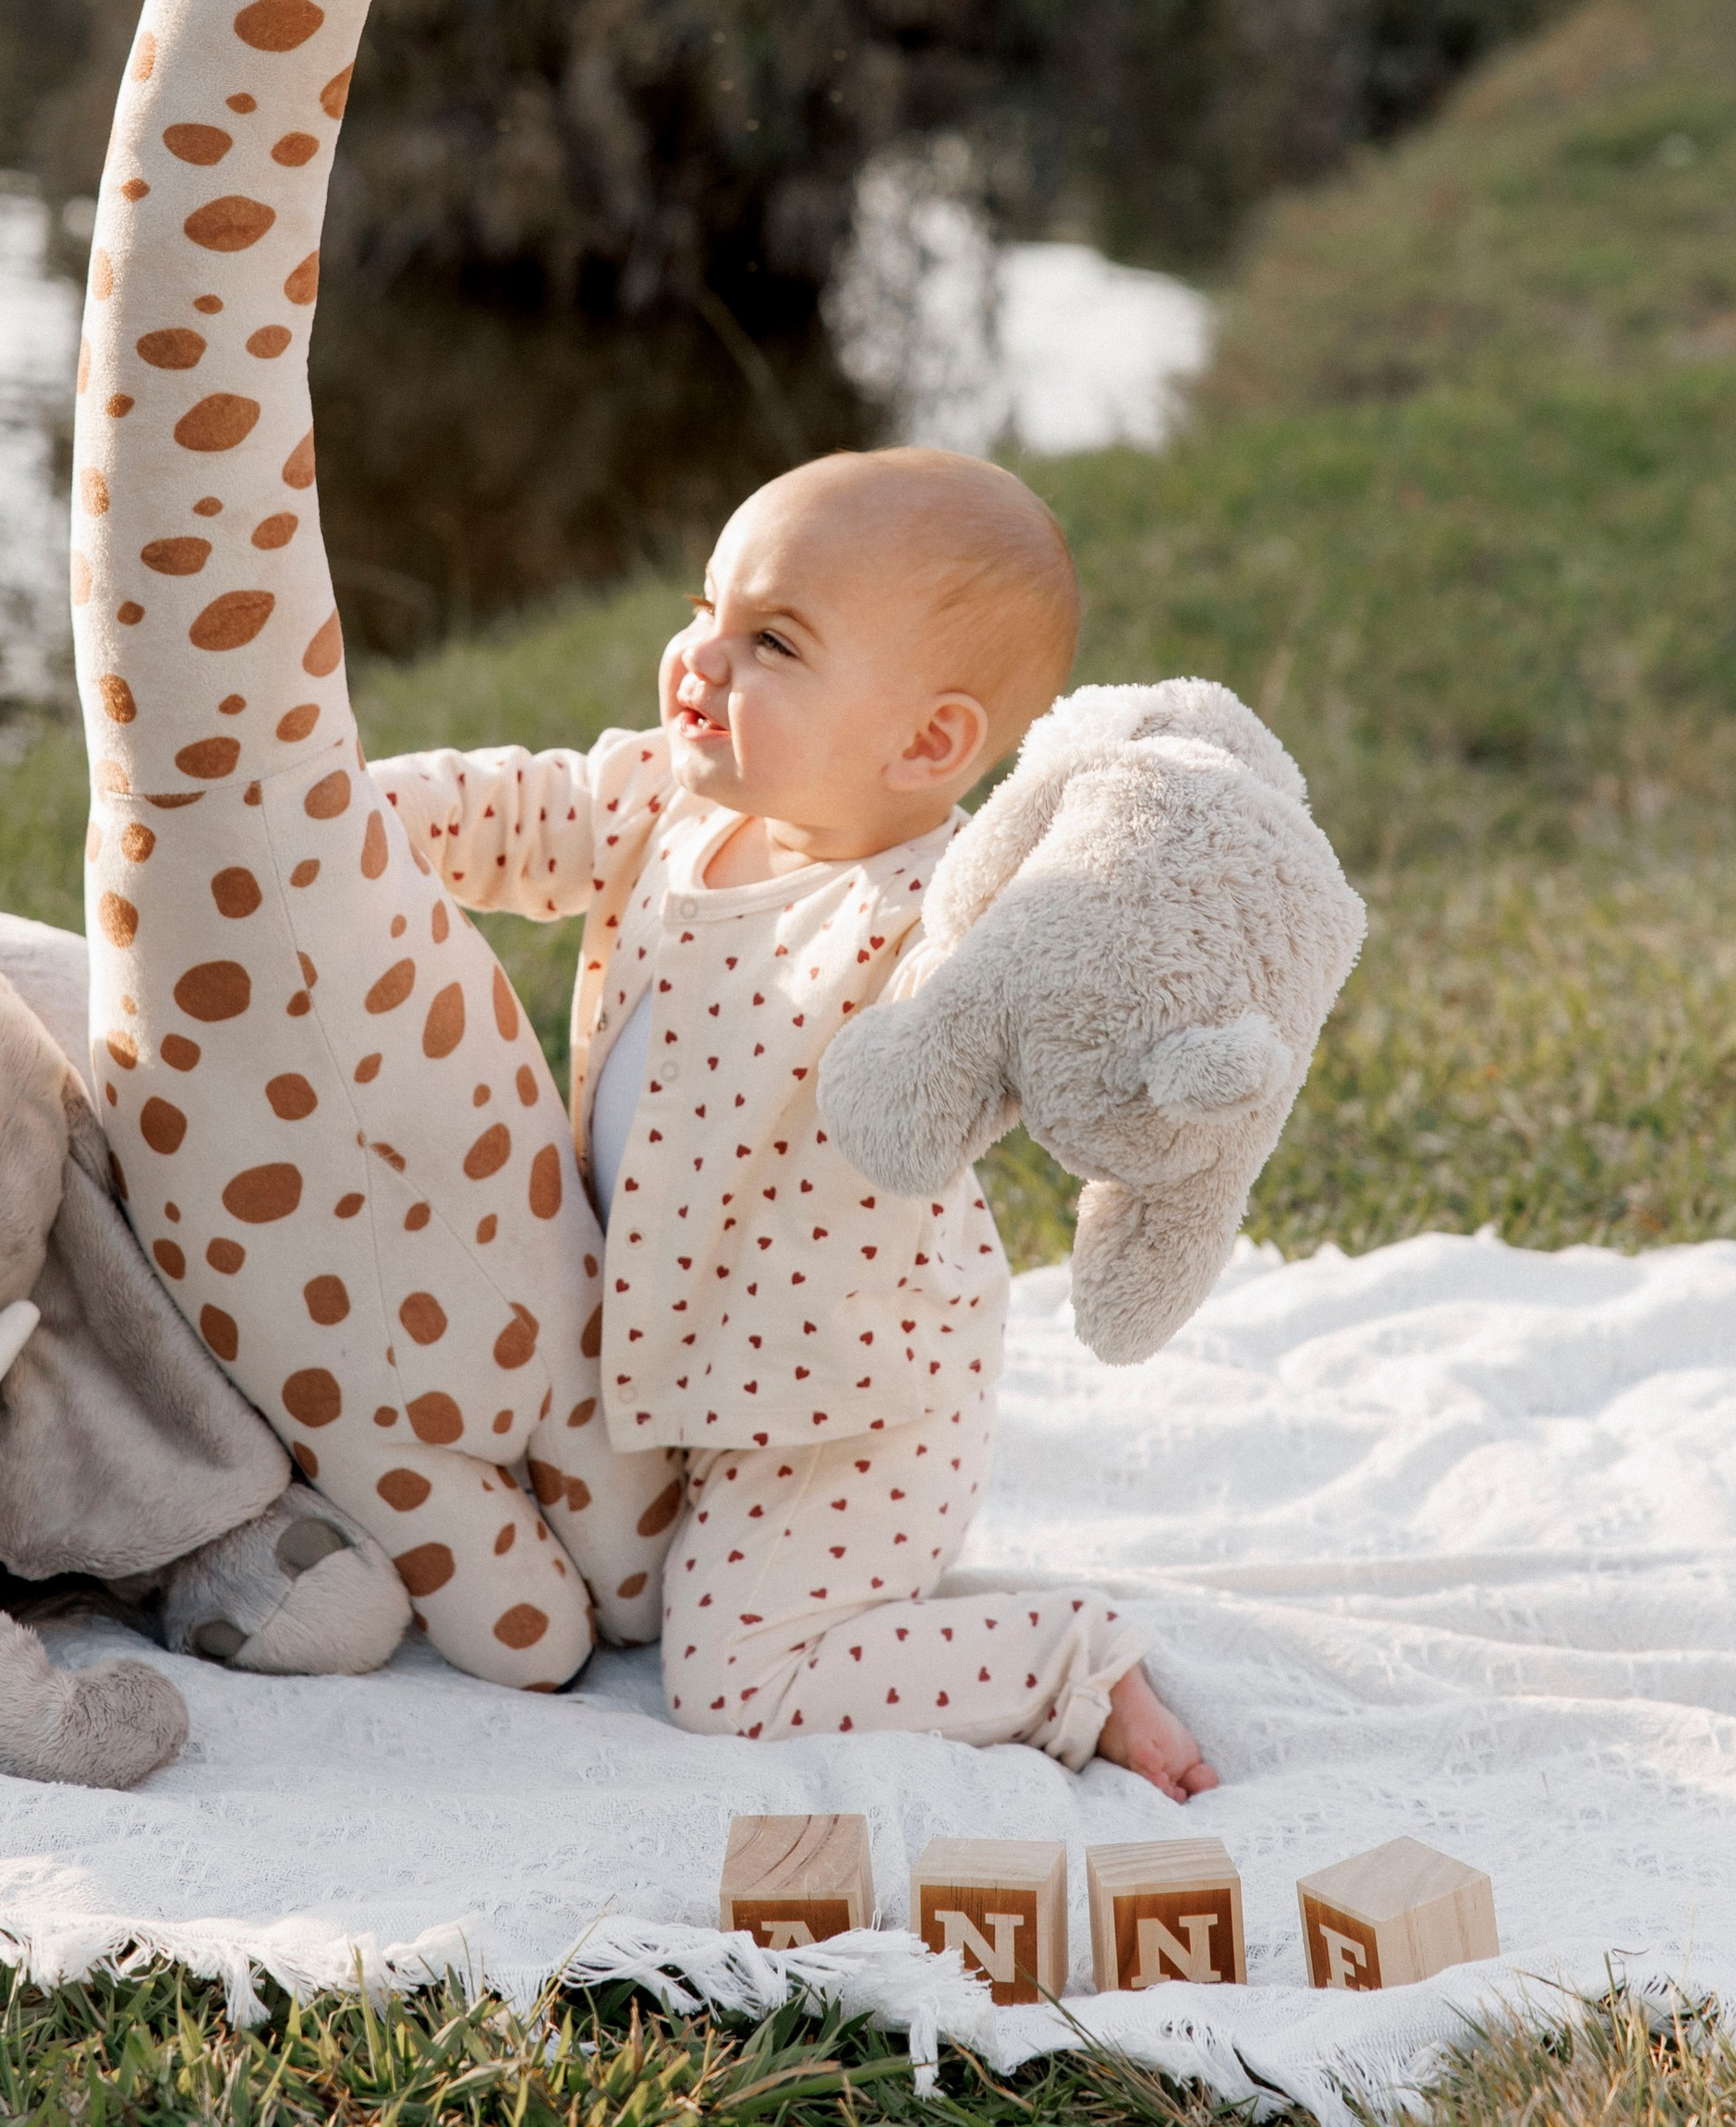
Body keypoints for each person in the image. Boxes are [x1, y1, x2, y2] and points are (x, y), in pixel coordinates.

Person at [378, 445, 1218, 1795]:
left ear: (927, 744)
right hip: (670, 1350)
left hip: (841, 1407)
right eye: (706, 607)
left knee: (735, 1687)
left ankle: (1068, 1660)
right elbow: (522, 812)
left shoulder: (930, 918)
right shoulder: (666, 803)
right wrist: (331, 819)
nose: (700, 659)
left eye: (770, 641)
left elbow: (1021, 1017)